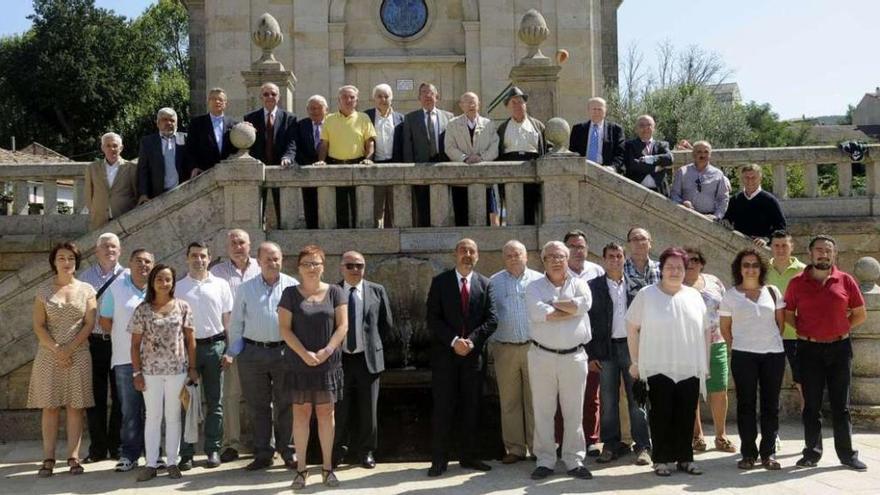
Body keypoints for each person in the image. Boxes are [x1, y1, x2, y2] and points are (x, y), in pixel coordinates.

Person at [785, 235, 868, 471]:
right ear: (810, 254)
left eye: (828, 250)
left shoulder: (846, 280)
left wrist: (839, 327)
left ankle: (847, 455)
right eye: (819, 250)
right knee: (811, 405)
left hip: (840, 349)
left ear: (835, 254)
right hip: (808, 349)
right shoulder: (796, 283)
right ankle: (812, 453)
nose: (824, 254)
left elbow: (860, 314)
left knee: (841, 405)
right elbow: (789, 314)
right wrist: (807, 330)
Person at [626, 247, 708, 477]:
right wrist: (635, 361)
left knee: (686, 414)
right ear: (661, 270)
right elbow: (632, 327)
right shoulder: (647, 294)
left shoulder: (693, 296)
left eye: (679, 267)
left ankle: (685, 457)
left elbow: (705, 332)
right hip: (656, 365)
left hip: (689, 366)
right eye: (669, 267)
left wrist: (706, 364)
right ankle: (661, 459)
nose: (674, 271)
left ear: (685, 270)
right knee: (660, 414)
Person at [426, 238, 497, 477]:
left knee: (472, 408)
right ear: (455, 255)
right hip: (445, 357)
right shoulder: (440, 282)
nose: (467, 254)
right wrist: (455, 341)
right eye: (463, 250)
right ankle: (439, 460)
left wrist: (472, 341)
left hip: (473, 359)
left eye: (472, 251)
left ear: (477, 256)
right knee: (443, 408)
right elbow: (433, 319)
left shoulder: (485, 284)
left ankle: (469, 456)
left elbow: (492, 320)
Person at [278, 245, 348, 489]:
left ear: (323, 266)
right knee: (301, 415)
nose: (311, 268)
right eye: (306, 263)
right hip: (299, 364)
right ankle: (301, 470)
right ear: (298, 267)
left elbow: (342, 326)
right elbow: (284, 329)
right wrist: (304, 353)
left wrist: (327, 351)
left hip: (328, 364)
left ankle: (328, 468)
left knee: (326, 415)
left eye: (316, 263)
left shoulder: (336, 292)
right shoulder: (289, 294)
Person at [226, 242, 299, 470]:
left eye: (276, 258)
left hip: (284, 352)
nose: (273, 263)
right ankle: (263, 453)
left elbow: (299, 321)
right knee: (258, 406)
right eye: (268, 259)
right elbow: (236, 323)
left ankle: (288, 451)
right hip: (252, 353)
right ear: (259, 261)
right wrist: (234, 353)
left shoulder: (292, 286)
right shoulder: (246, 288)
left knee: (286, 403)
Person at [28, 242, 97, 477]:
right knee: (50, 407)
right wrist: (57, 349)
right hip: (49, 355)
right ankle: (48, 458)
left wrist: (70, 348)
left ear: (76, 262)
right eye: (61, 258)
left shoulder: (87, 289)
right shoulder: (43, 290)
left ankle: (73, 457)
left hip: (78, 353)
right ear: (54, 262)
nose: (66, 262)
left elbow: (90, 323)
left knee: (76, 407)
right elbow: (38, 325)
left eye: (70, 258)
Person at [526, 241, 593, 481]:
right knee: (543, 411)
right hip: (541, 356)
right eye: (550, 257)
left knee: (574, 412)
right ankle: (545, 460)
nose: (556, 260)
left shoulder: (581, 284)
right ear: (543, 261)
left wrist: (552, 306)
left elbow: (584, 305)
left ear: (567, 259)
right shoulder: (533, 287)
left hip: (574, 357)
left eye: (560, 256)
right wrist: (568, 308)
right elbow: (538, 313)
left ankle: (574, 460)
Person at [129, 264, 198, 482]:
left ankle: (172, 462)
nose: (164, 283)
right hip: (150, 372)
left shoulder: (183, 307)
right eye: (159, 279)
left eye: (168, 279)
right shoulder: (142, 309)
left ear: (173, 282)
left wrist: (193, 368)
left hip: (177, 370)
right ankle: (150, 464)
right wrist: (136, 373)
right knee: (152, 417)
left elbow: (190, 340)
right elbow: (134, 345)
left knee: (173, 416)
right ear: (152, 282)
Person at [720, 248, 786, 470]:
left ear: (761, 268)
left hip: (773, 356)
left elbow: (780, 323)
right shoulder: (730, 295)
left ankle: (769, 453)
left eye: (755, 265)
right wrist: (739, 348)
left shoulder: (773, 291)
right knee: (746, 405)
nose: (750, 269)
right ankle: (748, 453)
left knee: (770, 405)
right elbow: (725, 329)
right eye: (746, 264)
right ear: (739, 268)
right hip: (743, 356)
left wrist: (767, 342)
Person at [588, 243, 652, 466]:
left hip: (632, 347)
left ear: (624, 259)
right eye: (611, 256)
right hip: (605, 349)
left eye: (619, 256)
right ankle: (610, 444)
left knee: (638, 399)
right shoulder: (593, 286)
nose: (615, 260)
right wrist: (591, 353)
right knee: (608, 400)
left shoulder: (636, 286)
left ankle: (643, 445)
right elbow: (588, 323)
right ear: (604, 260)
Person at [333, 251, 394, 469]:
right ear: (342, 267)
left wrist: (374, 347)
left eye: (359, 265)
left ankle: (366, 451)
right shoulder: (333, 292)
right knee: (340, 409)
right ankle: (338, 450)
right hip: (341, 361)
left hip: (368, 360)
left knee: (369, 410)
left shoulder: (377, 290)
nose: (355, 270)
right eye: (350, 266)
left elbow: (386, 325)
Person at [176, 242, 234, 470]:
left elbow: (227, 320)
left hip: (215, 347)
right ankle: (187, 453)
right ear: (186, 258)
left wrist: (230, 350)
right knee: (186, 403)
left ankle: (212, 450)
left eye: (202, 256)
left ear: (209, 258)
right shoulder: (178, 287)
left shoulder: (221, 285)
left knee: (215, 402)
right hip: (187, 349)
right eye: (194, 256)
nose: (198, 260)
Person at [99, 248, 156, 473]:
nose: (143, 265)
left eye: (148, 261)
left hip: (156, 361)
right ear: (130, 263)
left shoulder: (159, 288)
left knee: (154, 410)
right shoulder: (116, 288)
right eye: (139, 261)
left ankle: (154, 453)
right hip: (124, 359)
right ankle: (129, 454)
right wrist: (124, 337)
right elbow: (104, 320)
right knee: (130, 410)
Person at [488, 240, 543, 464]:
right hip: (505, 348)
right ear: (504, 258)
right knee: (509, 402)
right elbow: (488, 315)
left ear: (526, 256)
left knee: (536, 401)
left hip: (534, 347)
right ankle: (515, 449)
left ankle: (538, 447)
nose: (513, 258)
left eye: (517, 254)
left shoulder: (540, 280)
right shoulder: (494, 282)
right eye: (509, 255)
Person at [211, 229, 261, 463]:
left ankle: (265, 444)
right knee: (230, 395)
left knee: (262, 396)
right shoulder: (217, 272)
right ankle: (231, 444)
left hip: (259, 343)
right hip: (230, 343)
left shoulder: (261, 268)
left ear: (249, 244)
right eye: (232, 242)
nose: (237, 246)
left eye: (241, 242)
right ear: (226, 246)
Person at [556, 230, 603, 457]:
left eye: (581, 246)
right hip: (563, 341)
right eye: (573, 246)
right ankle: (560, 441)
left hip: (591, 342)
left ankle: (592, 440)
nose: (577, 250)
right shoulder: (556, 274)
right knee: (561, 396)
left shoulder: (597, 271)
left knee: (591, 395)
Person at [683, 247, 734, 454]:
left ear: (702, 263)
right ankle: (697, 435)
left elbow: (727, 309)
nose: (691, 263)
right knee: (692, 390)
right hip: (688, 345)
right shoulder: (675, 284)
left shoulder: (714, 281)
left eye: (695, 259)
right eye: (686, 260)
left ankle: (721, 435)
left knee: (719, 389)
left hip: (716, 342)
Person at [78, 233, 124, 464]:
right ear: (96, 251)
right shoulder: (85, 278)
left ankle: (116, 445)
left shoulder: (127, 276)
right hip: (94, 342)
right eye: (105, 246)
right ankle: (97, 448)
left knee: (120, 396)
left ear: (120, 250)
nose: (109, 250)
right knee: (95, 396)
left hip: (120, 343)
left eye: (113, 246)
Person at [315, 85, 377, 228]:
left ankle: (360, 237)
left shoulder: (364, 118)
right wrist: (321, 161)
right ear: (339, 100)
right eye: (345, 97)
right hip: (336, 165)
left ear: (357, 100)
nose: (348, 100)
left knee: (359, 204)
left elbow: (370, 142)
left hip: (358, 165)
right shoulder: (329, 119)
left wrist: (368, 158)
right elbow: (324, 144)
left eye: (352, 97)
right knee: (339, 205)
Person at [244, 82, 299, 228]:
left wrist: (288, 157)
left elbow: (292, 143)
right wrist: (244, 130)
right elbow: (245, 143)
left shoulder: (290, 118)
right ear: (261, 97)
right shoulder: (250, 118)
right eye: (266, 94)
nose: (270, 97)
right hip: (257, 168)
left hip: (281, 168)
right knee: (256, 209)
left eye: (273, 94)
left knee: (282, 209)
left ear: (279, 97)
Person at [445, 92, 500, 226]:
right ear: (461, 105)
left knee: (487, 218)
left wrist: (481, 158)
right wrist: (464, 158)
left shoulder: (489, 124)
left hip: (484, 178)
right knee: (462, 217)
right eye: (467, 102)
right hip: (460, 180)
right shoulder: (453, 124)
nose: (471, 105)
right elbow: (449, 147)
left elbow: (495, 147)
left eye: (474, 102)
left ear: (479, 105)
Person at [402, 82, 454, 227]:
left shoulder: (449, 117)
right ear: (419, 97)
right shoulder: (411, 118)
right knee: (422, 204)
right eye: (423, 93)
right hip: (420, 166)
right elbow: (408, 146)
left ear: (437, 96)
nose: (427, 96)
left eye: (430, 92)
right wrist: (410, 169)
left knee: (442, 202)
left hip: (442, 165)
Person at [766, 230, 807, 410]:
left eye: (784, 245)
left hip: (796, 332)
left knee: (802, 378)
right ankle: (770, 419)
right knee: (769, 379)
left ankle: (809, 415)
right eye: (776, 245)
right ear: (771, 247)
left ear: (792, 247)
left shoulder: (804, 270)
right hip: (770, 333)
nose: (780, 249)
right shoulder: (762, 269)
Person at [495, 86, 546, 225]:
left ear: (526, 104)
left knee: (532, 208)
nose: (518, 106)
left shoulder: (538, 126)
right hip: (510, 172)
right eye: (514, 103)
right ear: (508, 107)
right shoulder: (502, 128)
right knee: (513, 209)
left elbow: (546, 147)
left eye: (521, 102)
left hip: (532, 170)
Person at [365, 84, 404, 227]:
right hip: (375, 166)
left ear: (391, 99)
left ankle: (393, 234)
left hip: (395, 165)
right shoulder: (366, 116)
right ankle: (377, 236)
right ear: (374, 99)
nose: (383, 99)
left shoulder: (401, 118)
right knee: (376, 205)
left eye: (386, 96)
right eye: (379, 96)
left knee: (395, 205)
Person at [722, 164, 787, 246]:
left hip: (761, 247)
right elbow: (728, 218)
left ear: (760, 179)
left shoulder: (770, 200)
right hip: (739, 246)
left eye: (753, 177)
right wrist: (725, 221)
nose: (750, 181)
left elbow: (781, 227)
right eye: (747, 178)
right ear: (742, 179)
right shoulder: (735, 199)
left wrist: (766, 239)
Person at [84, 132, 138, 229]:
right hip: (99, 219)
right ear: (102, 148)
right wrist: (94, 209)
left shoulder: (131, 168)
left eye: (115, 146)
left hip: (124, 217)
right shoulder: (92, 168)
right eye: (108, 146)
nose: (111, 149)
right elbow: (89, 194)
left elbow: (136, 193)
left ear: (121, 148)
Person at [137, 107, 189, 204]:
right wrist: (143, 194)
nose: (169, 123)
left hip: (182, 192)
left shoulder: (186, 139)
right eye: (165, 120)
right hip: (157, 196)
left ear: (176, 124)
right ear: (158, 123)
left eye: (172, 120)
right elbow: (143, 170)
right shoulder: (148, 142)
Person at [670, 140, 731, 220]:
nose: (703, 155)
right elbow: (674, 194)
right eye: (699, 152)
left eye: (706, 152)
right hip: (685, 217)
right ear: (693, 154)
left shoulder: (718, 174)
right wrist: (682, 203)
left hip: (709, 218)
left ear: (710, 155)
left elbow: (723, 199)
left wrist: (717, 216)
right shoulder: (682, 172)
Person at [294, 94, 329, 229]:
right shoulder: (300, 125)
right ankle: (312, 230)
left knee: (329, 204)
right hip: (307, 171)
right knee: (310, 204)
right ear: (307, 110)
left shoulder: (333, 123)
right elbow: (296, 146)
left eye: (319, 108)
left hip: (329, 169)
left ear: (326, 109)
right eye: (311, 108)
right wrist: (305, 164)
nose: (315, 111)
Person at [187, 87, 237, 177]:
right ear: (208, 102)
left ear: (225, 103)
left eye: (220, 99)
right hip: (204, 174)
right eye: (213, 99)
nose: (217, 102)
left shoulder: (234, 125)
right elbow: (190, 149)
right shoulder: (196, 124)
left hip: (228, 174)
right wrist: (193, 167)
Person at [569, 97, 625, 173]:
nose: (596, 112)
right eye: (594, 109)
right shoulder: (578, 129)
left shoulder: (616, 130)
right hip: (583, 171)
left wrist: (613, 168)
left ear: (605, 111)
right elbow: (573, 152)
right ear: (588, 111)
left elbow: (620, 154)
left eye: (600, 109)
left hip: (606, 172)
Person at [622, 115, 674, 195]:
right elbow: (633, 165)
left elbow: (669, 159)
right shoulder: (629, 145)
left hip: (661, 192)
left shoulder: (662, 145)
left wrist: (650, 159)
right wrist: (656, 168)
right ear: (636, 129)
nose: (645, 128)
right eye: (642, 125)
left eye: (649, 125)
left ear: (654, 128)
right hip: (636, 192)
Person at [623, 227, 660, 294]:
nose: (639, 242)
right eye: (635, 239)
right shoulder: (620, 269)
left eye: (643, 239)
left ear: (650, 243)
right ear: (628, 244)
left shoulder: (662, 268)